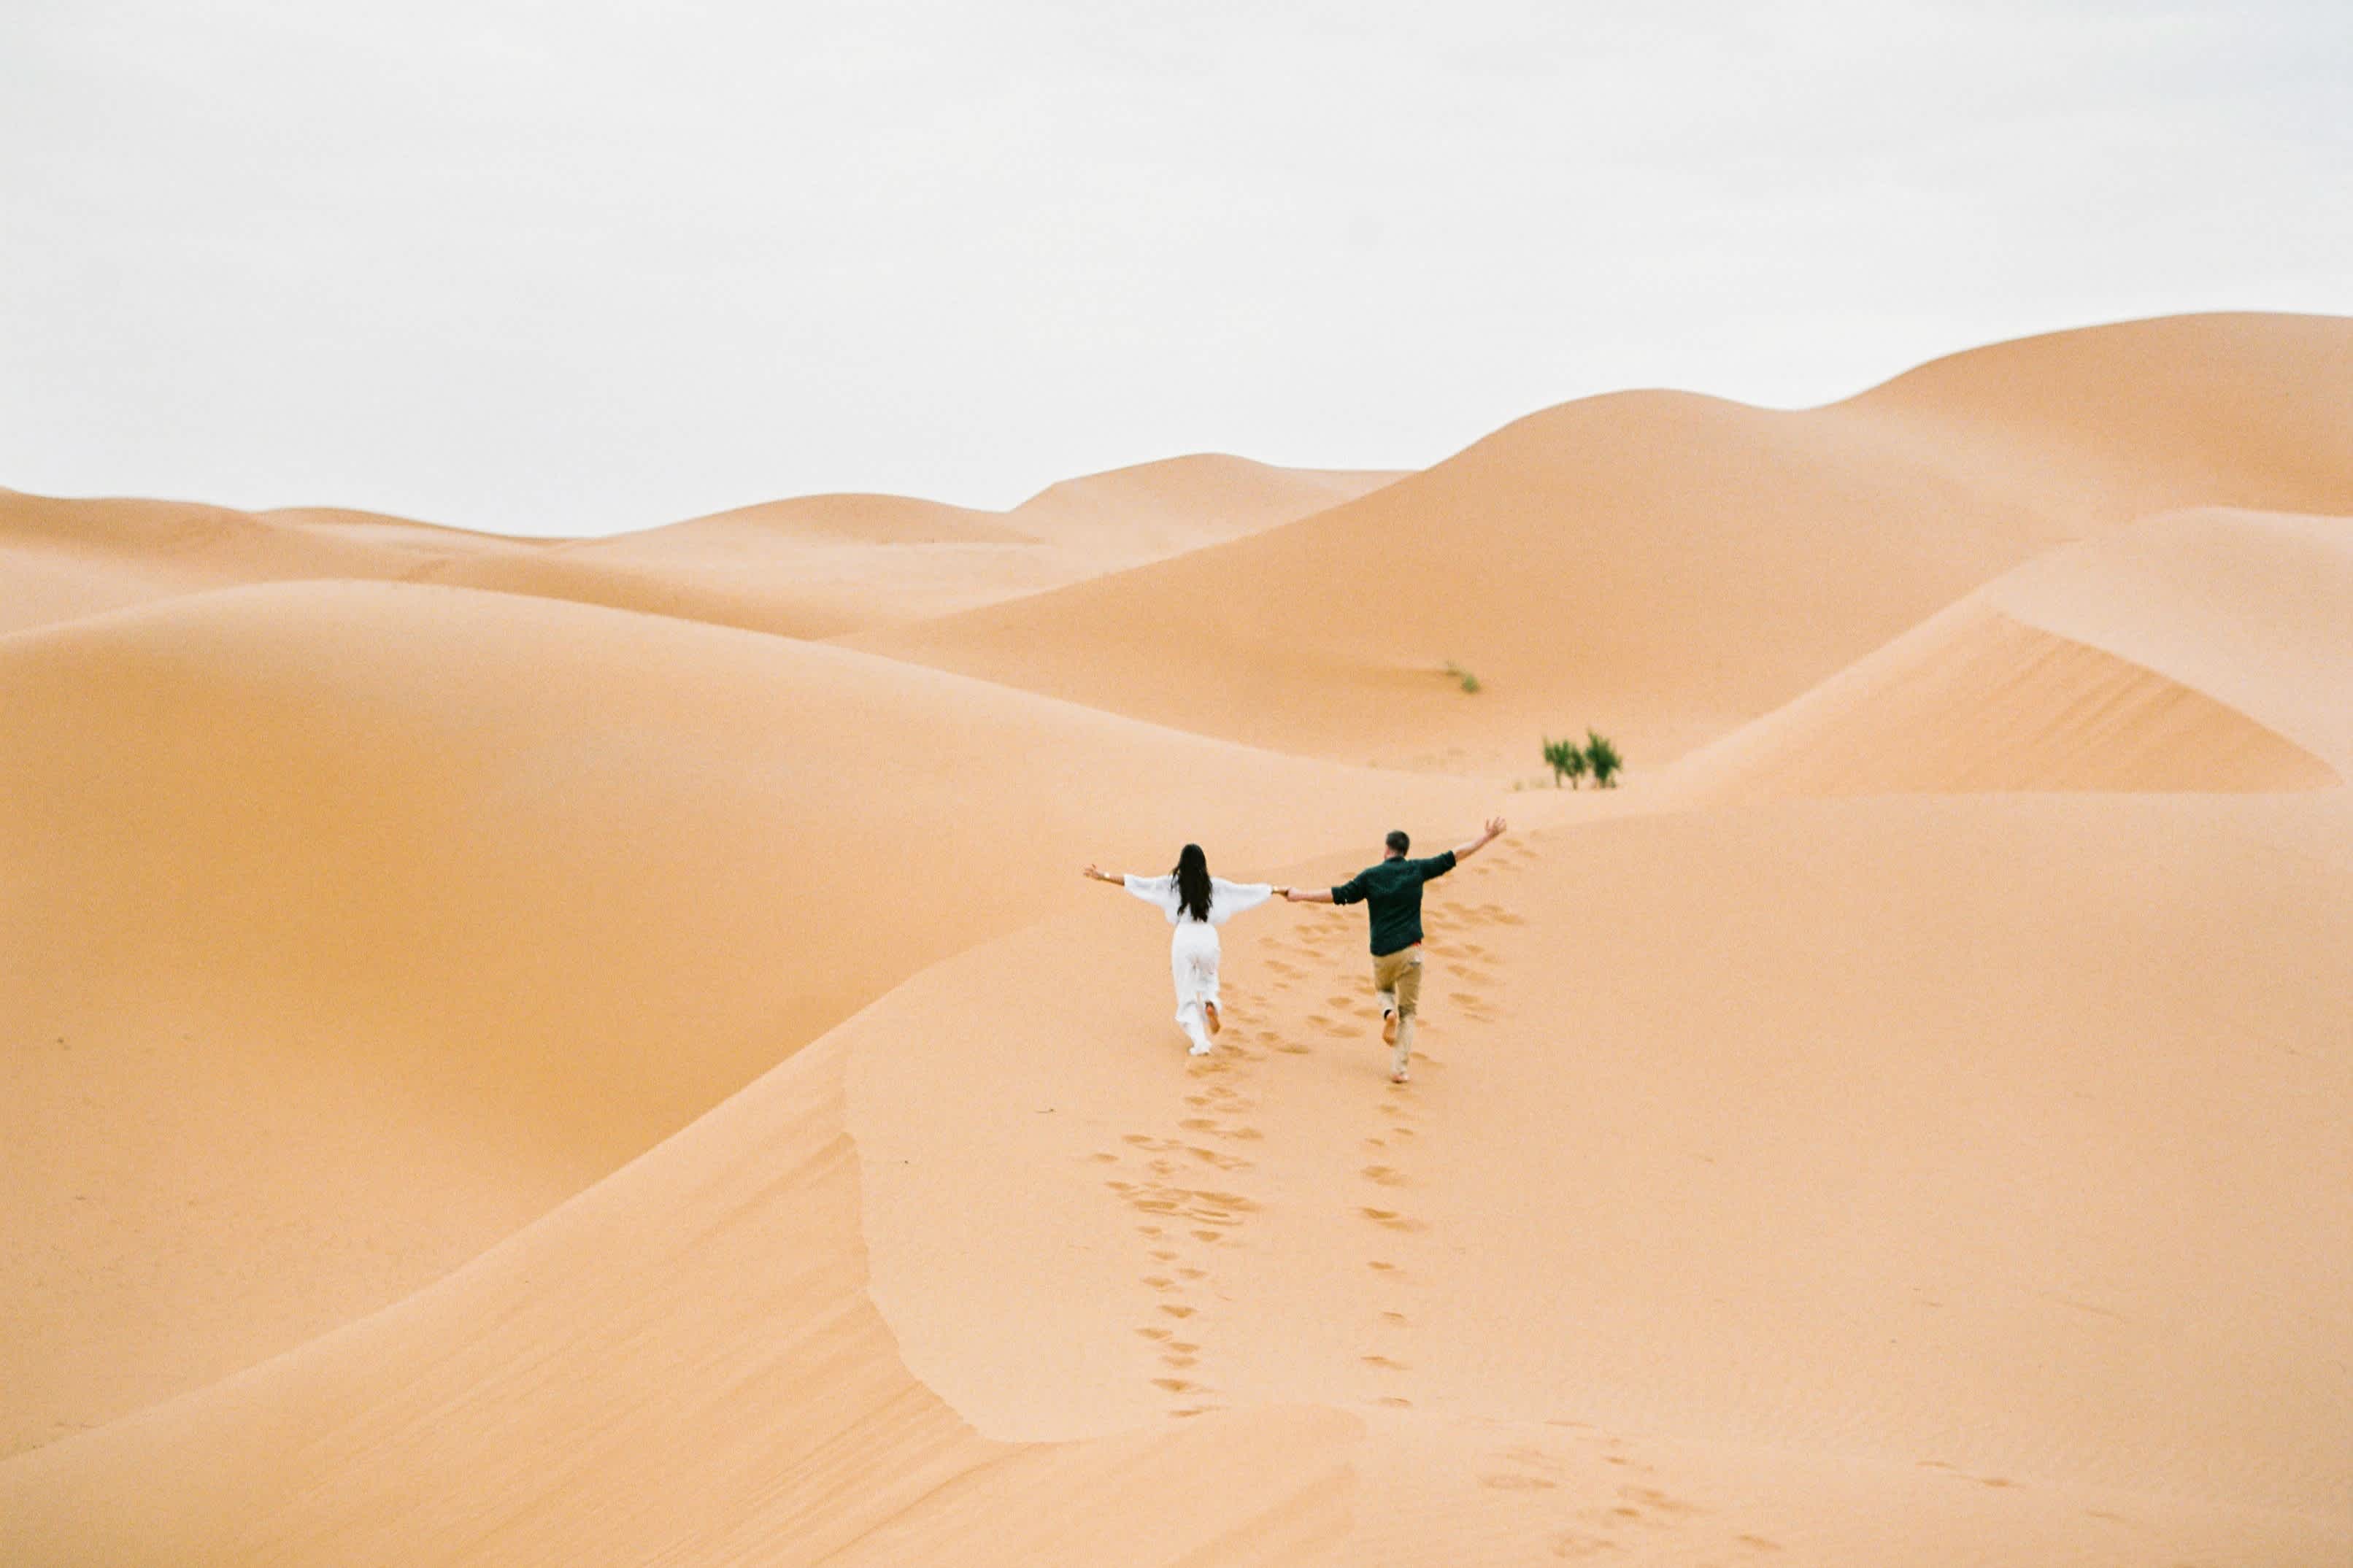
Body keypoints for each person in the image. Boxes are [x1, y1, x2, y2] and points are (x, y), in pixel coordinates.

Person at [1285, 818, 1506, 1083]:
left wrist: (1300, 895)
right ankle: (1399, 1069)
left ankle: (1388, 1013)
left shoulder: (1371, 876)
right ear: (1405, 852)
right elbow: (1456, 855)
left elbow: (1338, 895)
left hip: (1382, 953)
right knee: (1410, 1012)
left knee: (1383, 991)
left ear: (1387, 850)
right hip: (1411, 951)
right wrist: (1488, 837)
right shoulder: (1417, 870)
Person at [1084, 846, 1286, 1057]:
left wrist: (1103, 876)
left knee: (1186, 992)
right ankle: (1211, 1004)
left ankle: (1200, 1043)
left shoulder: (1171, 886)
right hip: (1208, 937)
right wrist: (1276, 890)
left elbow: (1138, 883)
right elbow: (1245, 891)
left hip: (1184, 938)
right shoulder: (1215, 886)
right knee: (1209, 979)